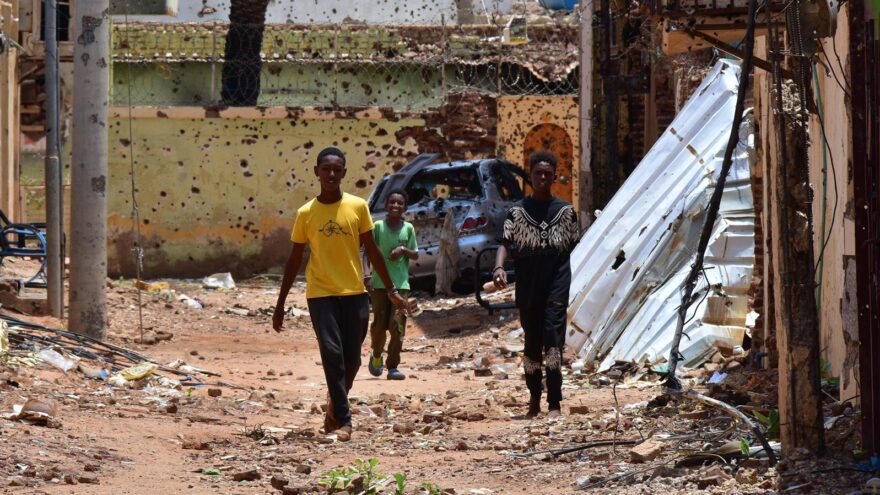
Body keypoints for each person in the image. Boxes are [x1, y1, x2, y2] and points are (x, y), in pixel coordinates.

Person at [272, 147, 407, 442]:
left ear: (344, 173)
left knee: (354, 361)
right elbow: (294, 259)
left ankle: (335, 405)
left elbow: (371, 249)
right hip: (320, 294)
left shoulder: (358, 207)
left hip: (355, 293)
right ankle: (345, 421)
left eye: (337, 169)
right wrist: (280, 304)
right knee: (332, 354)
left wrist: (392, 290)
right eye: (326, 169)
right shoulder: (306, 213)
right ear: (317, 172)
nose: (331, 174)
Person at [493, 151, 580, 418]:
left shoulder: (566, 212)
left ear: (554, 176)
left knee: (553, 342)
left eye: (547, 173)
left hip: (556, 284)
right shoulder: (517, 212)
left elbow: (573, 246)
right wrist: (498, 267)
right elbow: (504, 243)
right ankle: (533, 399)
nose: (542, 177)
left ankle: (554, 401)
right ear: (530, 176)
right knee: (531, 344)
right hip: (529, 285)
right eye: (537, 173)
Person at [366, 189, 418, 381]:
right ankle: (377, 354)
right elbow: (368, 251)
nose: (396, 206)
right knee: (379, 325)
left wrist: (403, 249)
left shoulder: (409, 229)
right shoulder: (378, 227)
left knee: (397, 326)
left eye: (400, 203)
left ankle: (393, 366)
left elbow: (416, 254)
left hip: (402, 285)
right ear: (386, 205)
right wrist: (367, 275)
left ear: (405, 207)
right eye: (392, 202)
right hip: (380, 285)